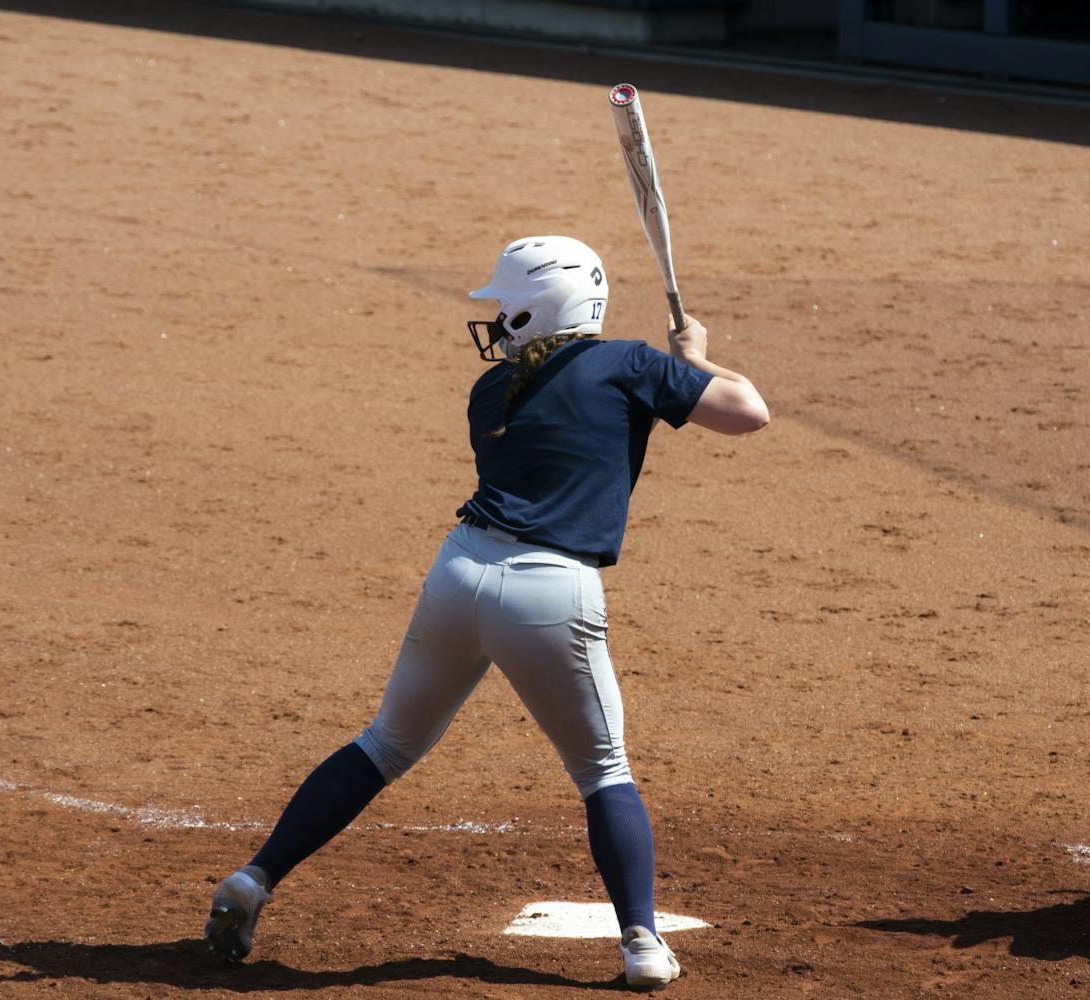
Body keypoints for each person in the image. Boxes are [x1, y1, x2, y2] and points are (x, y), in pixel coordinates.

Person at [203, 235, 769, 986]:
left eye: (506, 303)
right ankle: (640, 944)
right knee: (603, 770)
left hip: (459, 572)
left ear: (541, 307)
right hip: (550, 591)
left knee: (384, 745)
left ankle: (254, 878)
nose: (499, 318)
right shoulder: (630, 364)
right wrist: (693, 358)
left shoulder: (491, 393)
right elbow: (748, 412)